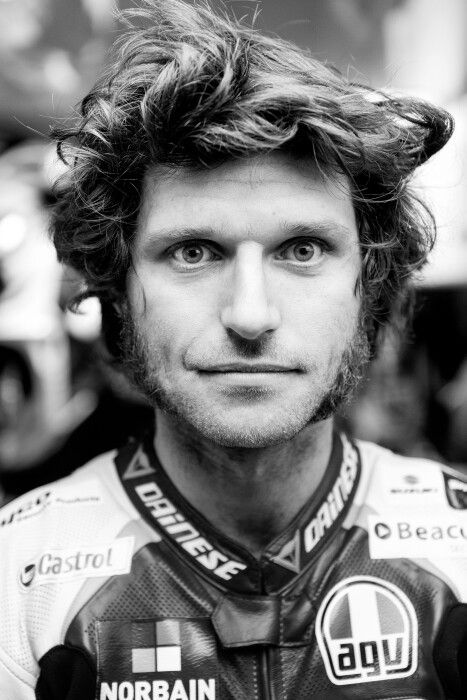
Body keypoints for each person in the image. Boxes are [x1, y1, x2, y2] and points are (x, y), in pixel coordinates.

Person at [1, 1, 466, 698]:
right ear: (117, 290)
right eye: (193, 252)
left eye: (302, 250)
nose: (250, 315)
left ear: (369, 288)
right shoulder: (17, 576)